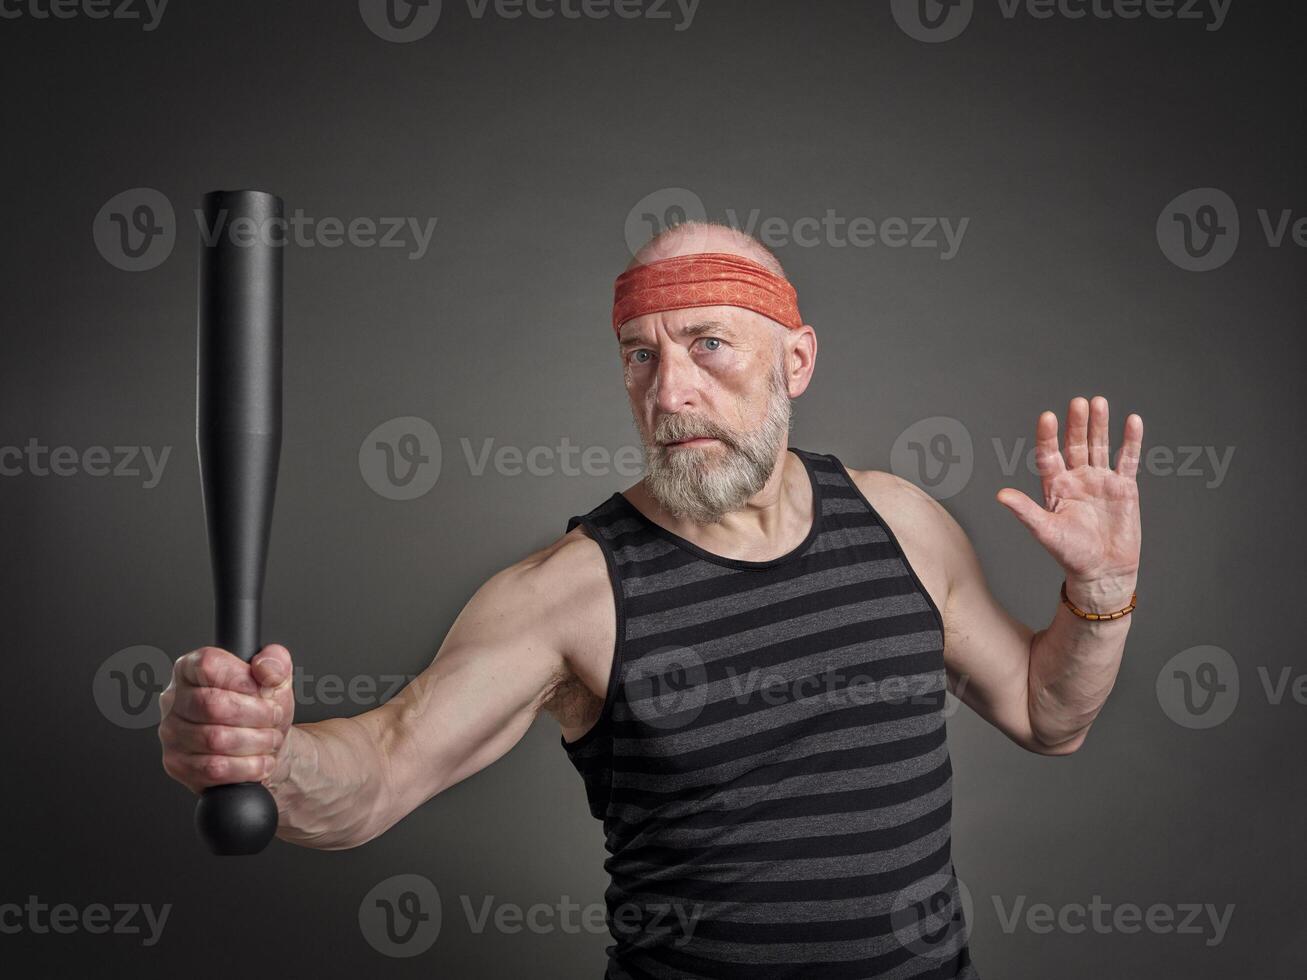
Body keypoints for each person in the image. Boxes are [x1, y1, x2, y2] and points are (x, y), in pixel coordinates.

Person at [159, 221, 1143, 979]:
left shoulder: (902, 523)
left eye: (708, 344)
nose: (668, 390)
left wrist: (1099, 591)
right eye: (640, 353)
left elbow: (1045, 713)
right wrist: (270, 755)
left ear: (794, 360)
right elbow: (375, 775)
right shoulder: (570, 592)